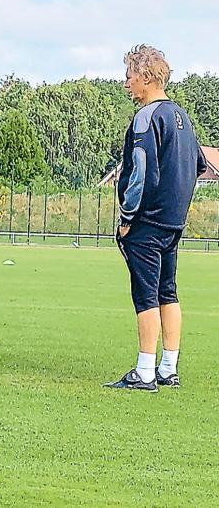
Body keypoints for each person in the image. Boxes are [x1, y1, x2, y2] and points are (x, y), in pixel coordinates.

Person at [105, 45, 208, 392]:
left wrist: (127, 216)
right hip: (173, 223)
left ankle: (145, 371)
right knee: (168, 291)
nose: (126, 84)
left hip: (147, 222)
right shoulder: (183, 118)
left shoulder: (146, 118)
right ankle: (168, 367)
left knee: (145, 294)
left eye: (129, 76)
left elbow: (140, 172)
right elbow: (198, 166)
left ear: (145, 77)